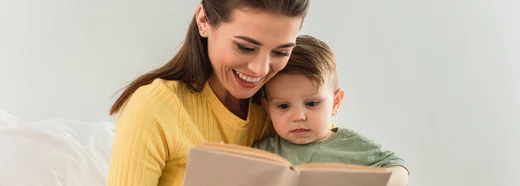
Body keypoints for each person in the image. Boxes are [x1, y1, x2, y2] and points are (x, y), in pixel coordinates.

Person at [106, 0, 310, 185]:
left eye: (281, 52)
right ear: (204, 21)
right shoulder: (155, 108)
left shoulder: (285, 109)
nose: (261, 69)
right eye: (245, 47)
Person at [253, 35, 410, 186]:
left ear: (335, 102)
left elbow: (398, 170)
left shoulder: (352, 146)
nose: (298, 116)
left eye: (312, 103)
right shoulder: (265, 152)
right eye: (283, 106)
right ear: (267, 108)